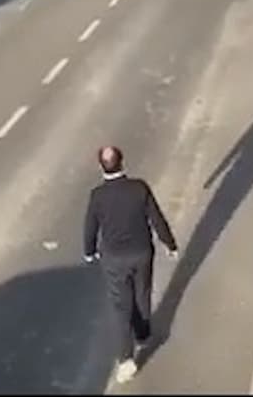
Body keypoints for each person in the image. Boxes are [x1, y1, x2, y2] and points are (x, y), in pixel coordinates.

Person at [83, 146, 179, 383]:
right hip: (142, 252)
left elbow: (90, 227)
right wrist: (170, 244)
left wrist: (89, 252)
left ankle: (126, 360)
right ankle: (143, 332)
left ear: (101, 167)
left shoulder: (97, 196)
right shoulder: (139, 188)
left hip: (114, 258)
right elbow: (156, 218)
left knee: (121, 307)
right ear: (122, 162)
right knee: (142, 292)